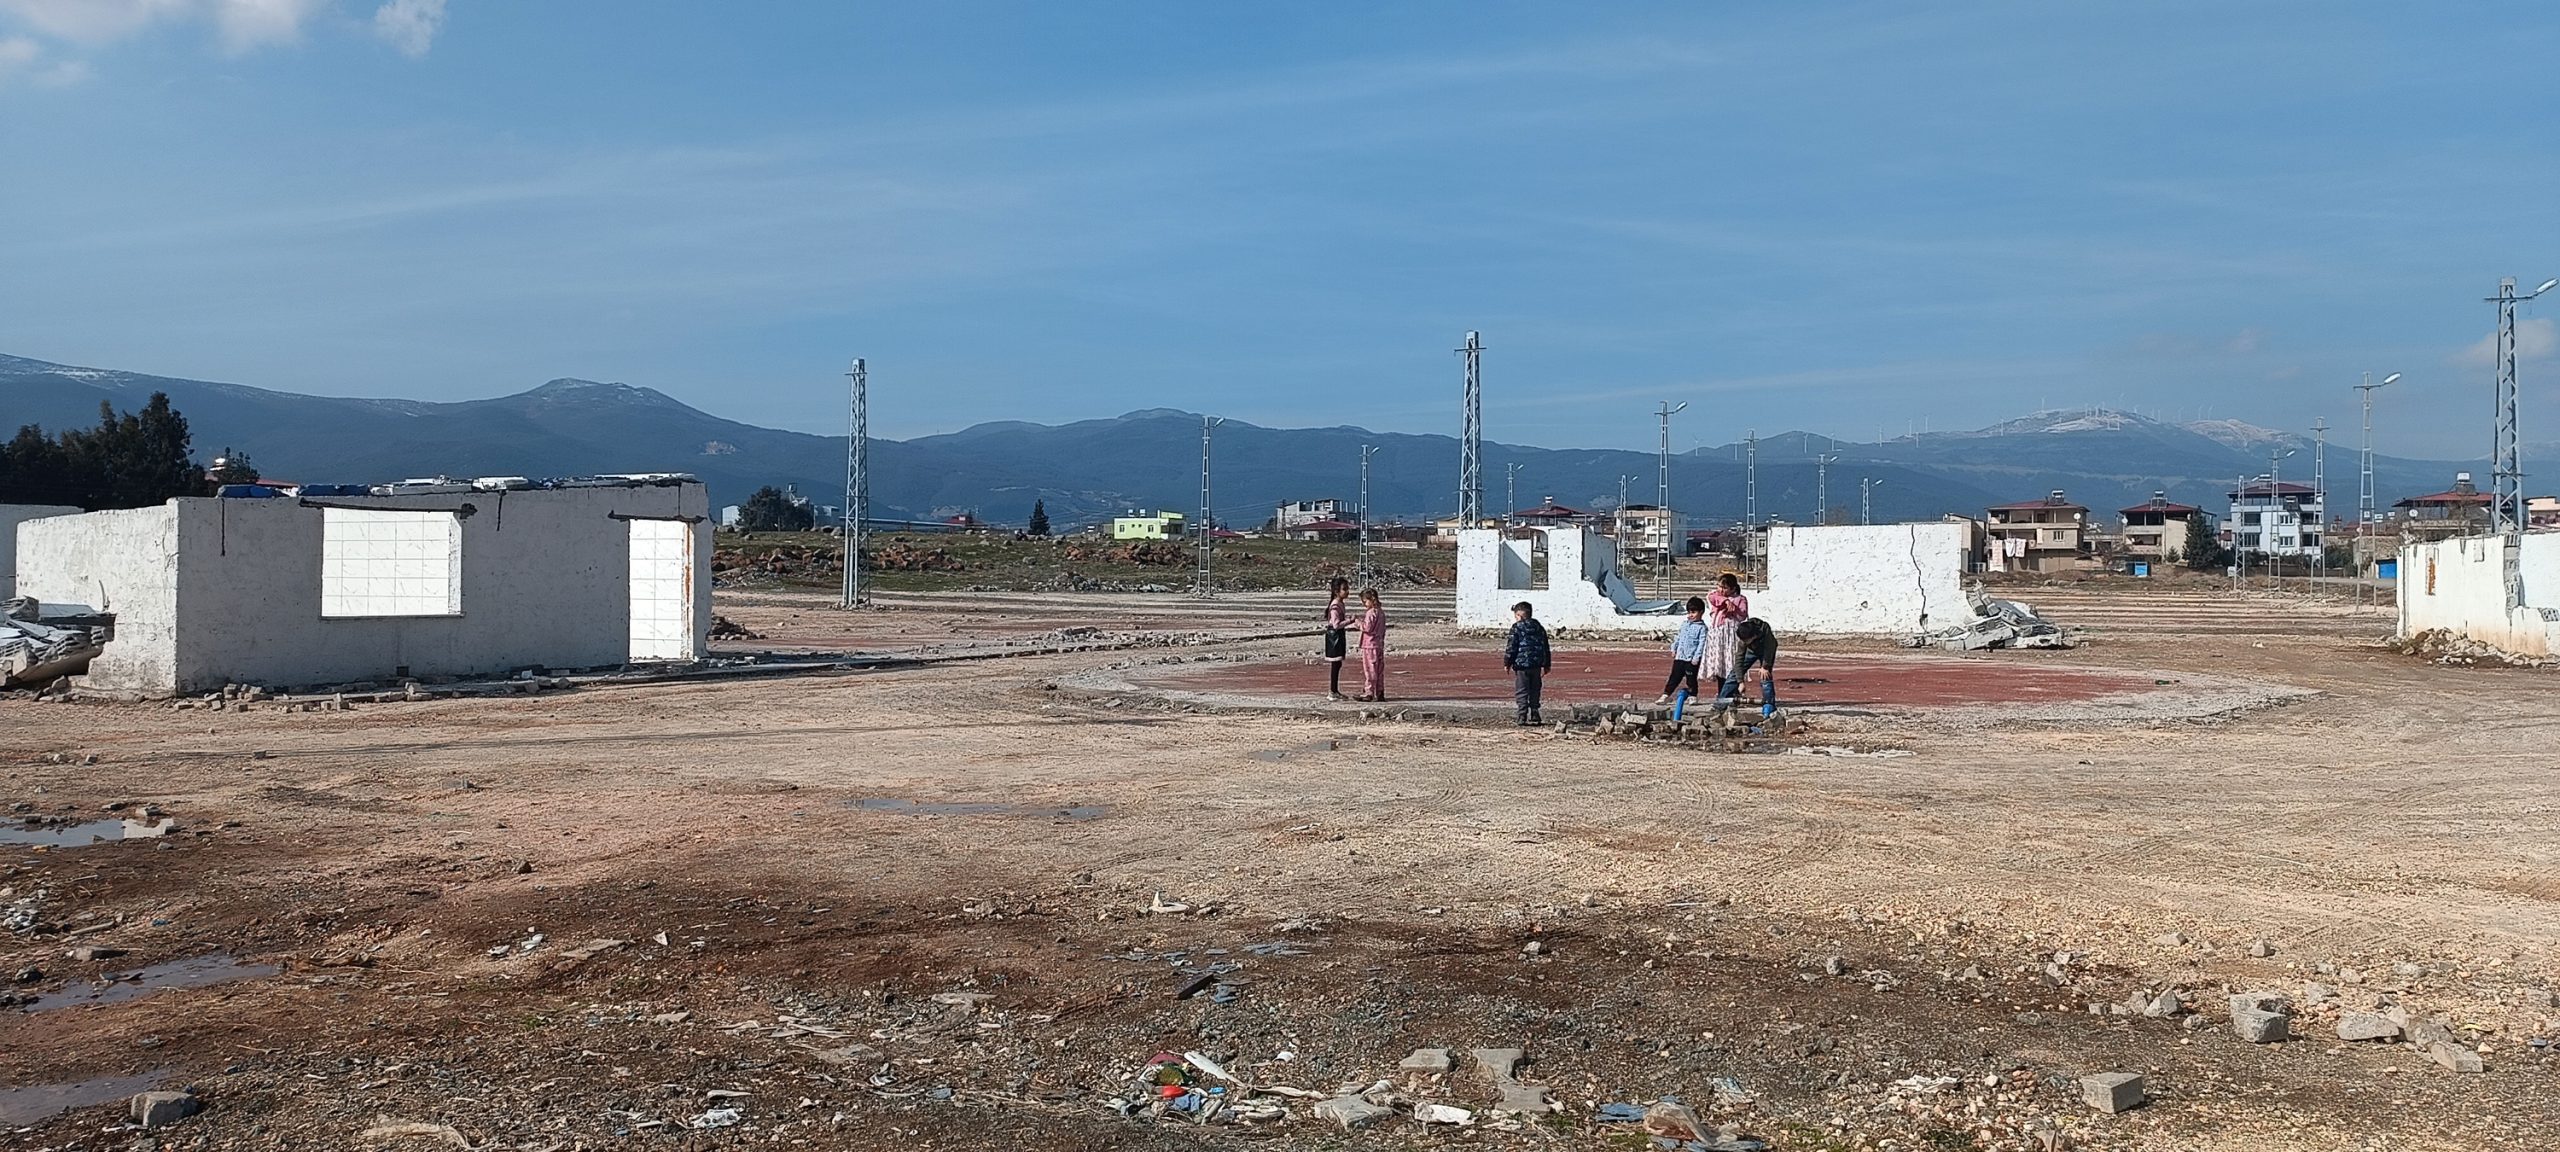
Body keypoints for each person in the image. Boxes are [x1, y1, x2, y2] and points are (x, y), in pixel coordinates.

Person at [1714, 616, 1780, 716]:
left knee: (1765, 676)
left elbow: (1769, 648)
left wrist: (1765, 666)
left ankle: (1769, 705)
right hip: (1751, 651)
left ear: (1753, 636)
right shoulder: (1743, 639)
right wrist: (1740, 681)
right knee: (1733, 675)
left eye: (1746, 641)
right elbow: (1739, 659)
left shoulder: (1765, 630)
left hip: (1766, 652)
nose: (1744, 642)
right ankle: (1721, 704)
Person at [1501, 601, 1552, 725]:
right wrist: (1547, 664)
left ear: (1519, 615)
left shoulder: (1516, 628)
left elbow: (1511, 647)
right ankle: (1535, 712)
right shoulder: (1539, 627)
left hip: (1522, 665)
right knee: (1535, 689)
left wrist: (1507, 662)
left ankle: (1522, 715)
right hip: (1536, 665)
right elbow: (1545, 646)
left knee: (1522, 689)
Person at [1654, 596, 1707, 705]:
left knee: (1691, 678)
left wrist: (1697, 657)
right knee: (1674, 677)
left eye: (1693, 612)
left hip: (1691, 659)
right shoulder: (1684, 624)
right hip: (1680, 657)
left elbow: (1702, 644)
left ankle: (1693, 695)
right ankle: (1666, 695)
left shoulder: (1702, 628)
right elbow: (1678, 637)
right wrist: (1674, 648)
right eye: (1689, 612)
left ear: (1701, 612)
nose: (1690, 615)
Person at [1704, 572, 1748, 689]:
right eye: (1719, 586)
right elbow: (1712, 598)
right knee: (1720, 663)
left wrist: (1734, 609)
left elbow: (1742, 615)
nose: (1721, 590)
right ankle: (1721, 691)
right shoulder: (1715, 595)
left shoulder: (1740, 599)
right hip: (1718, 636)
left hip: (1731, 636)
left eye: (1725, 588)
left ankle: (1733, 690)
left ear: (1733, 588)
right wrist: (1726, 601)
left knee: (1731, 663)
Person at [1355, 588, 1389, 701]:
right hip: (1379, 644)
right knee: (1379, 670)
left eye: (1365, 601)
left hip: (1370, 645)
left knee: (1370, 670)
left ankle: (1369, 692)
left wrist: (1358, 623)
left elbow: (1367, 628)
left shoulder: (1371, 613)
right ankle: (1380, 692)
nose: (1364, 604)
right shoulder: (1381, 612)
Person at [1320, 577, 1351, 700]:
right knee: (1335, 663)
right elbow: (1336, 624)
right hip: (1334, 636)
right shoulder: (1335, 606)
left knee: (1337, 664)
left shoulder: (1340, 604)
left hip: (1338, 635)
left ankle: (1334, 690)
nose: (1347, 591)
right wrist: (1350, 621)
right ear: (1337, 591)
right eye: (1344, 589)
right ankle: (1332, 691)